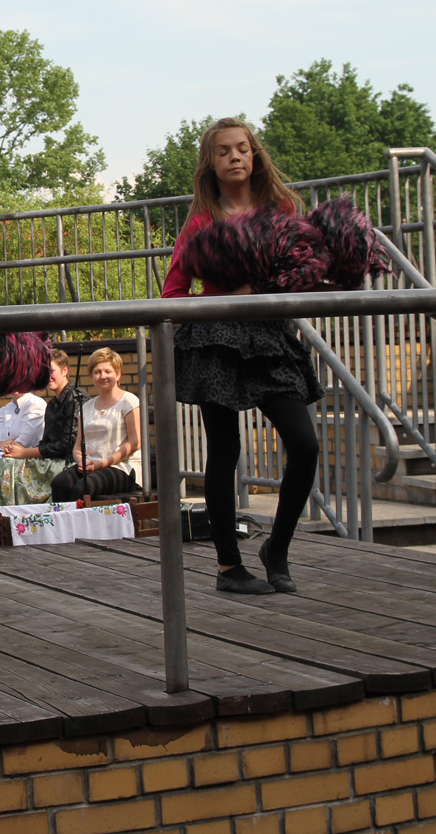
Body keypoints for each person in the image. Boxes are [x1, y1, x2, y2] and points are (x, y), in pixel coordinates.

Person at [161, 117, 321, 595]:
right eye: (224, 151)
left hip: (269, 335)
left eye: (243, 148)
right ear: (210, 163)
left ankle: (278, 548)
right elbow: (172, 295)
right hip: (217, 339)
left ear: (255, 155)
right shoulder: (201, 222)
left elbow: (300, 269)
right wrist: (229, 298)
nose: (235, 156)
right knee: (224, 451)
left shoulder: (282, 209)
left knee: (305, 444)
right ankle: (229, 566)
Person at [0, 350, 86, 507]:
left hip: (68, 462)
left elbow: (67, 445)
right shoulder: (52, 404)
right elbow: (47, 442)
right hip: (51, 459)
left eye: (52, 371)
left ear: (65, 370)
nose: (48, 376)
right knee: (5, 463)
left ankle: (2, 512)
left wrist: (25, 453)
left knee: (9, 465)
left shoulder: (75, 398)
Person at [51, 347, 140, 504]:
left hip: (122, 467)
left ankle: (80, 520)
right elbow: (77, 446)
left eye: (107, 371)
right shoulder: (86, 406)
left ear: (118, 374)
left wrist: (104, 463)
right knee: (59, 483)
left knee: (83, 487)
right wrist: (81, 461)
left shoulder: (128, 401)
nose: (102, 376)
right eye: (97, 372)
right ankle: (63, 519)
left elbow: (135, 442)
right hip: (91, 465)